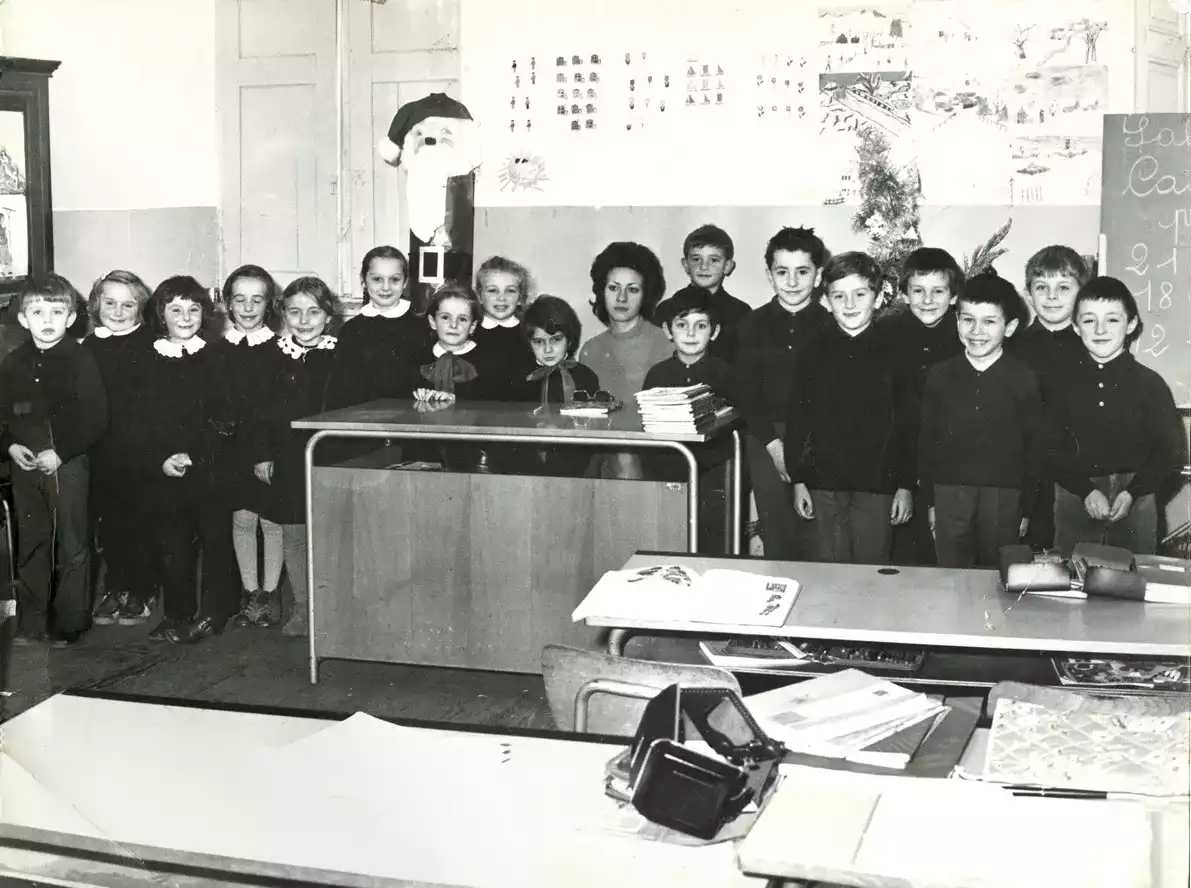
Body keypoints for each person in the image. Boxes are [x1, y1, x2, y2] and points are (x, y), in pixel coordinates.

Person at [785, 252, 914, 564]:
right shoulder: (812, 352)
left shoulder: (896, 351)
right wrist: (799, 479)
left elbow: (909, 423)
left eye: (860, 294)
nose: (850, 304)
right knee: (830, 565)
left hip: (878, 483)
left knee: (873, 566)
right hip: (824, 481)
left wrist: (905, 485)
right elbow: (798, 420)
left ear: (879, 296)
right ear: (826, 301)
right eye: (839, 296)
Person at [0, 274, 106, 646]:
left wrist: (60, 451)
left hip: (68, 461)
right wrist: (8, 446)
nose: (47, 320)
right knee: (32, 541)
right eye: (38, 311)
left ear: (72, 318)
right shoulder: (12, 362)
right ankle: (32, 623)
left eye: (57, 311)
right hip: (24, 462)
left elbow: (94, 415)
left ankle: (69, 623)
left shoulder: (81, 359)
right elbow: (3, 413)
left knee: (71, 544)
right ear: (24, 319)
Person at [1047, 277, 1183, 555]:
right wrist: (1085, 490)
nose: (1100, 330)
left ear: (1131, 324)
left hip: (1136, 497)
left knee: (1133, 584)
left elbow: (1170, 451)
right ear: (1075, 326)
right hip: (1075, 496)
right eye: (1088, 321)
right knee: (1072, 580)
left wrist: (1134, 492)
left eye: (1112, 320)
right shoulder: (1059, 382)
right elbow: (1048, 447)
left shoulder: (1150, 384)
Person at [137, 276, 239, 644]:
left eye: (193, 309)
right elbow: (139, 419)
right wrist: (161, 458)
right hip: (163, 466)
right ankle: (175, 612)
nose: (185, 316)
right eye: (176, 309)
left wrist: (194, 454)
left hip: (208, 463)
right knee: (171, 544)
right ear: (161, 315)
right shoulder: (146, 359)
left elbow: (226, 415)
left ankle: (214, 612)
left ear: (204, 314)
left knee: (215, 541)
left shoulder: (217, 355)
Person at [919, 271, 1041, 568]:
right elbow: (927, 443)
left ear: (1009, 327)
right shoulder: (940, 375)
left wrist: (1025, 508)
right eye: (967, 319)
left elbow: (1033, 448)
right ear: (956, 321)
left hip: (1004, 496)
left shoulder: (1023, 378)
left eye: (989, 321)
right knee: (951, 576)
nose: (976, 331)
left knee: (997, 577)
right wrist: (931, 502)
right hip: (950, 494)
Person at [734, 226, 834, 560]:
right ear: (769, 275)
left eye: (802, 272)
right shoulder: (751, 325)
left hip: (819, 440)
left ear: (818, 276)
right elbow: (746, 393)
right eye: (782, 272)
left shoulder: (830, 325)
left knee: (819, 534)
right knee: (777, 533)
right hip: (766, 438)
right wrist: (775, 448)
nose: (792, 282)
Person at [252, 276, 339, 637]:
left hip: (330, 456)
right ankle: (303, 608)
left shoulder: (341, 354)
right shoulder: (272, 355)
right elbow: (259, 411)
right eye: (295, 312)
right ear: (283, 314)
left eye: (313, 312)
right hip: (287, 458)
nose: (304, 321)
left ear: (328, 316)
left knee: (332, 533)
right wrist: (262, 454)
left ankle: (333, 607)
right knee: (294, 534)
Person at [84, 270, 157, 627]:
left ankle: (143, 588)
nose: (117, 311)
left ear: (140, 308)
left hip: (142, 451)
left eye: (128, 304)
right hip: (102, 450)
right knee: (110, 523)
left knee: (142, 521)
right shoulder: (88, 346)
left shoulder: (150, 344)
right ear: (96, 304)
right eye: (109, 303)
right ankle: (116, 587)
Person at [886, 247, 965, 565]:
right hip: (899, 461)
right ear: (904, 294)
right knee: (905, 553)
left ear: (954, 295)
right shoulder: (887, 334)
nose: (928, 300)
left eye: (938, 291)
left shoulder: (965, 334)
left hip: (949, 462)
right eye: (918, 291)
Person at [217, 265, 286, 630]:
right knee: (242, 519)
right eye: (239, 299)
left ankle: (270, 594)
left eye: (256, 299)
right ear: (228, 303)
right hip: (231, 451)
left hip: (267, 450)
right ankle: (250, 593)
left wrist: (270, 452)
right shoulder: (216, 349)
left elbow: (279, 408)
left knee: (271, 521)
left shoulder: (279, 350)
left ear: (269, 304)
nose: (247, 307)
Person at [1010, 245, 1090, 551]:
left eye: (1063, 287)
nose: (1052, 297)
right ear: (1029, 294)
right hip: (1027, 482)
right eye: (1042, 287)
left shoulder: (1092, 347)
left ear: (1081, 293)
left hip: (1079, 483)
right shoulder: (1013, 350)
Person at [578, 241, 673, 479]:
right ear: (601, 291)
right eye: (613, 288)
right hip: (602, 448)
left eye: (632, 289)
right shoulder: (590, 349)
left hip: (653, 450)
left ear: (645, 295)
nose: (621, 297)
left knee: (625, 459)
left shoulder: (664, 343)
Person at [326, 246, 429, 409]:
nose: (386, 287)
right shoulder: (351, 330)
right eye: (377, 279)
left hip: (409, 418)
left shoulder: (423, 327)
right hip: (360, 419)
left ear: (405, 283)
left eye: (394, 280)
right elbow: (339, 387)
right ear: (364, 281)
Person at [514, 294, 601, 476]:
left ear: (569, 340)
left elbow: (593, 427)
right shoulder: (523, 378)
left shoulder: (585, 376)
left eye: (555, 340)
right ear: (529, 343)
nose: (547, 349)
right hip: (528, 465)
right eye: (539, 342)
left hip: (576, 463)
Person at [652, 224, 751, 362]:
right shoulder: (666, 309)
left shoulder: (741, 312)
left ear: (727, 266)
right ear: (685, 264)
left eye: (714, 260)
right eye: (696, 259)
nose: (704, 266)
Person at [643, 289, 734, 399]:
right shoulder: (656, 375)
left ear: (714, 332)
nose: (691, 333)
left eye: (701, 326)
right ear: (668, 331)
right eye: (682, 325)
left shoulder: (726, 374)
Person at [473, 255, 536, 383]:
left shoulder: (530, 333)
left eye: (510, 291)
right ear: (479, 296)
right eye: (492, 290)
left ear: (520, 298)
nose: (501, 298)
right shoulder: (469, 332)